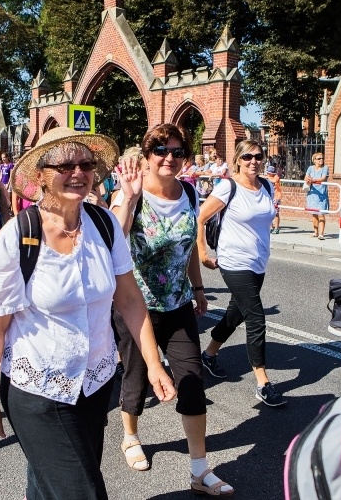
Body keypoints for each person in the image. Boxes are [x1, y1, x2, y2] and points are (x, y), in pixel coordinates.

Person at [0, 126, 176, 500]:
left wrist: (154, 363)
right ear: (41, 175)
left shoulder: (104, 225)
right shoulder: (17, 237)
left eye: (85, 164)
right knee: (81, 492)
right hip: (39, 391)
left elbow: (129, 301)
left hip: (95, 386)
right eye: (64, 165)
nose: (78, 172)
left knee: (49, 485)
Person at [110, 124, 232, 495]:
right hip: (136, 306)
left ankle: (199, 470)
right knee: (135, 376)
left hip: (177, 304)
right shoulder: (130, 194)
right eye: (161, 150)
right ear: (147, 156)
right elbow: (112, 241)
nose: (169, 158)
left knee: (192, 381)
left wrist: (197, 287)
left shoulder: (191, 192)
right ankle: (130, 437)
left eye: (178, 152)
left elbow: (189, 247)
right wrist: (128, 199)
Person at [196, 139, 286, 407]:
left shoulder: (266, 186)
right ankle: (263, 383)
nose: (253, 162)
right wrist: (202, 253)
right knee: (256, 318)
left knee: (235, 314)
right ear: (237, 159)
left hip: (258, 262)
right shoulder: (228, 187)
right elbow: (199, 217)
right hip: (233, 262)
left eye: (258, 157)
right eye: (247, 157)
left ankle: (209, 355)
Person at [305, 153, 329, 240]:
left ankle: (321, 234)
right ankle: (315, 232)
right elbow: (306, 176)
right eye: (319, 159)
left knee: (321, 214)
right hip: (312, 193)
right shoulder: (310, 168)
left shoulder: (325, 168)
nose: (321, 160)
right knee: (314, 214)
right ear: (314, 160)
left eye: (322, 158)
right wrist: (308, 179)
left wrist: (313, 180)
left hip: (321, 193)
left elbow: (323, 178)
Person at [264, 165, 282, 234]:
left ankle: (277, 228)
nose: (268, 174)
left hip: (276, 197)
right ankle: (271, 227)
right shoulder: (266, 177)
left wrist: (266, 177)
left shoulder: (276, 177)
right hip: (269, 196)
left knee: (276, 213)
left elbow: (274, 180)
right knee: (269, 212)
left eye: (269, 173)